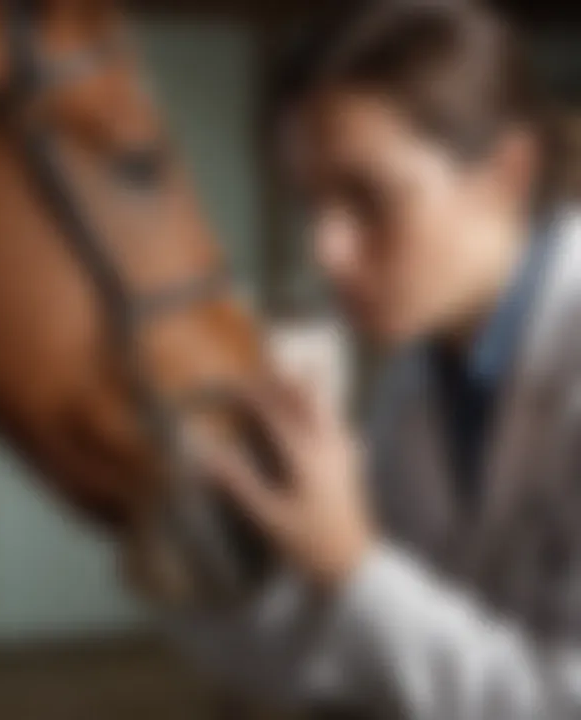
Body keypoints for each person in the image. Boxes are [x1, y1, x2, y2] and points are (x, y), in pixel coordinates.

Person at [167, 1, 581, 718]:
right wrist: (217, 547)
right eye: (313, 205)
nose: (325, 252)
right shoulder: (413, 385)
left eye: (369, 198)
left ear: (508, 172)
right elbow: (352, 665)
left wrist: (352, 562)